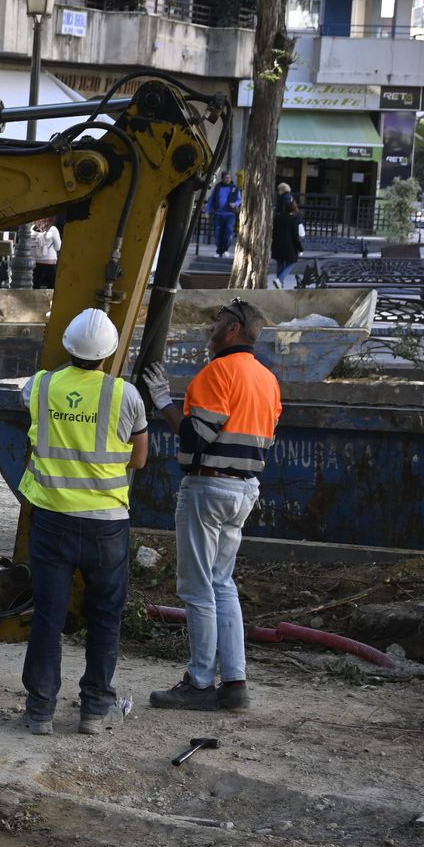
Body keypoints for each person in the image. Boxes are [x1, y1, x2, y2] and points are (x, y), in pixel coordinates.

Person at [140, 298, 282, 713]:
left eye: (218, 320)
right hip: (243, 490)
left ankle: (200, 682)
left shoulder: (217, 373)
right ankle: (234, 682)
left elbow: (194, 437)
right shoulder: (268, 381)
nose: (211, 327)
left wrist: (163, 400)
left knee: (197, 590)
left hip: (208, 489)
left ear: (234, 329)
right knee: (222, 584)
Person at [17, 308, 150, 736]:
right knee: (105, 618)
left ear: (69, 346)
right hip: (107, 526)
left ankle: (40, 712)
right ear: (110, 352)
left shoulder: (40, 386)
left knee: (47, 619)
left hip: (53, 520)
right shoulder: (125, 395)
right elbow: (141, 458)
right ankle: (94, 711)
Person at [206, 171, 242, 257]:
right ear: (222, 179)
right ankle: (219, 251)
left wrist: (235, 204)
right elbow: (211, 199)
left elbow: (240, 199)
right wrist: (207, 210)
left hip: (230, 214)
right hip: (218, 214)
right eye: (226, 178)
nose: (228, 179)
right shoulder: (218, 187)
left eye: (229, 178)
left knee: (229, 232)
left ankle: (225, 249)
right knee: (218, 233)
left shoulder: (234, 188)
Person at [270, 199, 304, 288]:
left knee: (280, 263)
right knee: (291, 262)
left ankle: (280, 283)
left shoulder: (277, 218)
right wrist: (300, 248)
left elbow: (273, 232)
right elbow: (296, 237)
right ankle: (280, 279)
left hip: (277, 245)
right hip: (290, 246)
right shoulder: (294, 220)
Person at [28, 218, 61, 289]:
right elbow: (58, 247)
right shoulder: (53, 229)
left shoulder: (32, 228)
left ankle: (35, 300)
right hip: (49, 262)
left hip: (35, 261)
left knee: (35, 286)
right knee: (51, 286)